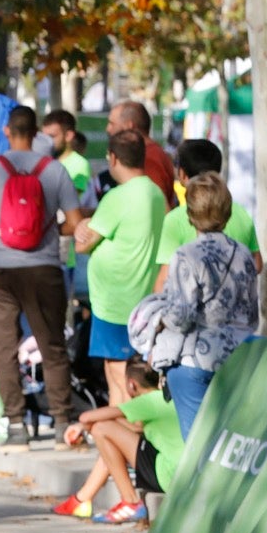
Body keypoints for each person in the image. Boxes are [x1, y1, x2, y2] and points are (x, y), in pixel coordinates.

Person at [0, 104, 80, 450]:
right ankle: (62, 424)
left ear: (7, 132)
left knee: (3, 349)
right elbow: (73, 222)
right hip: (44, 268)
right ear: (36, 134)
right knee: (52, 345)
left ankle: (15, 427)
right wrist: (50, 231)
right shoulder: (54, 170)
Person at [143, 173, 260, 440]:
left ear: (190, 213)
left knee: (197, 447)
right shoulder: (244, 254)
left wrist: (160, 321)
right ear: (227, 212)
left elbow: (182, 317)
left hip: (194, 360)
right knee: (228, 446)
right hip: (238, 359)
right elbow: (252, 315)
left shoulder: (187, 255)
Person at [75, 130, 167, 408]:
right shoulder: (155, 192)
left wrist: (81, 225)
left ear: (112, 159)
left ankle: (123, 443)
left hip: (114, 303)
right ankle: (113, 447)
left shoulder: (117, 197)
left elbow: (83, 243)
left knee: (120, 379)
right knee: (127, 378)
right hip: (140, 300)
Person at [50, 358, 182, 524]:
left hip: (166, 475)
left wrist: (81, 426)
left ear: (131, 385)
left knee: (101, 429)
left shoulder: (148, 401)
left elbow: (87, 416)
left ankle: (130, 501)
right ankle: (82, 499)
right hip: (181, 474)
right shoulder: (170, 399)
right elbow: (133, 428)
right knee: (107, 432)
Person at [152, 139, 261, 291]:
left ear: (182, 174)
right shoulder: (241, 213)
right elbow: (257, 264)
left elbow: (165, 278)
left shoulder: (175, 219)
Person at [106, 100, 176, 207]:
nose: (108, 129)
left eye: (112, 123)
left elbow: (158, 206)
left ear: (129, 126)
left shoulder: (148, 158)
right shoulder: (151, 153)